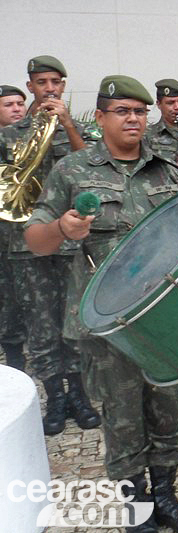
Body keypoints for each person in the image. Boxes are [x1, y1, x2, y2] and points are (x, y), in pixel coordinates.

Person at [24, 75, 178, 533]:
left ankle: (164, 495)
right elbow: (35, 239)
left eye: (139, 112)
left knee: (167, 410)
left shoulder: (168, 171)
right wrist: (63, 230)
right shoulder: (73, 170)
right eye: (122, 111)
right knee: (121, 416)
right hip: (106, 325)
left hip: (162, 317)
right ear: (101, 117)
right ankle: (135, 504)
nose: (133, 119)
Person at [0, 55, 100, 435]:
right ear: (30, 87)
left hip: (71, 241)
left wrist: (68, 124)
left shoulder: (77, 130)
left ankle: (79, 395)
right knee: (41, 325)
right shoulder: (9, 134)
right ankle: (54, 398)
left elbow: (89, 165)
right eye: (42, 82)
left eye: (56, 82)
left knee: (73, 321)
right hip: (26, 242)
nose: (50, 89)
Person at [0, 85, 28, 373]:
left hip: (28, 234)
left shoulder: (34, 137)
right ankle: (14, 356)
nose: (17, 108)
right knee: (7, 298)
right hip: (3, 236)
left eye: (20, 103)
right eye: (9, 104)